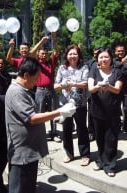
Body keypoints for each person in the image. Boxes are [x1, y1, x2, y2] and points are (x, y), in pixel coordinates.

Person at [5, 56, 76, 193]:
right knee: (20, 188)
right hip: (22, 154)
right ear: (26, 75)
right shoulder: (16, 92)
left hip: (29, 150)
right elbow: (32, 118)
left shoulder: (23, 89)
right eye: (36, 77)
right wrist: (59, 112)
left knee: (28, 187)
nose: (38, 81)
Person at [88, 48, 123, 177]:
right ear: (97, 59)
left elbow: (118, 90)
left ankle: (110, 165)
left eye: (106, 57)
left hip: (113, 112)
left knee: (112, 139)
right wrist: (98, 86)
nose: (103, 59)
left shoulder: (117, 72)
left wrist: (108, 86)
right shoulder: (94, 70)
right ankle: (101, 161)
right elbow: (90, 89)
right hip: (97, 111)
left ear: (111, 58)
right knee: (100, 138)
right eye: (101, 57)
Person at [54, 44, 91, 166]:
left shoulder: (84, 67)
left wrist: (72, 84)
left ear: (78, 55)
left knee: (82, 129)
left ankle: (85, 154)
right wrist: (62, 85)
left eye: (75, 54)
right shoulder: (62, 68)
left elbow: (86, 83)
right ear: (67, 55)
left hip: (79, 103)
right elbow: (55, 85)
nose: (72, 56)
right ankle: (69, 153)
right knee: (66, 130)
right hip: (65, 104)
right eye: (70, 54)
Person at [31, 33, 61, 142]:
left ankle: (54, 133)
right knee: (39, 112)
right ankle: (40, 134)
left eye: (45, 54)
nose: (44, 55)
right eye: (42, 54)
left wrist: (55, 40)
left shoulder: (51, 63)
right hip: (39, 91)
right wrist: (41, 42)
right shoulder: (36, 63)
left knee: (53, 112)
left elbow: (57, 52)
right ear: (39, 54)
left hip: (50, 89)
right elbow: (32, 53)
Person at [113, 43, 127, 135]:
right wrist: (122, 63)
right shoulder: (112, 61)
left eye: (122, 51)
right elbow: (115, 70)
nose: (120, 52)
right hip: (116, 89)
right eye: (118, 51)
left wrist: (122, 68)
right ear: (115, 52)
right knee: (116, 109)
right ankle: (117, 126)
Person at [85, 47, 101, 142]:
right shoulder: (90, 63)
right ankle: (91, 131)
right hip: (92, 90)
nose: (95, 54)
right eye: (94, 53)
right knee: (91, 112)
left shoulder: (105, 60)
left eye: (97, 53)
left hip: (103, 90)